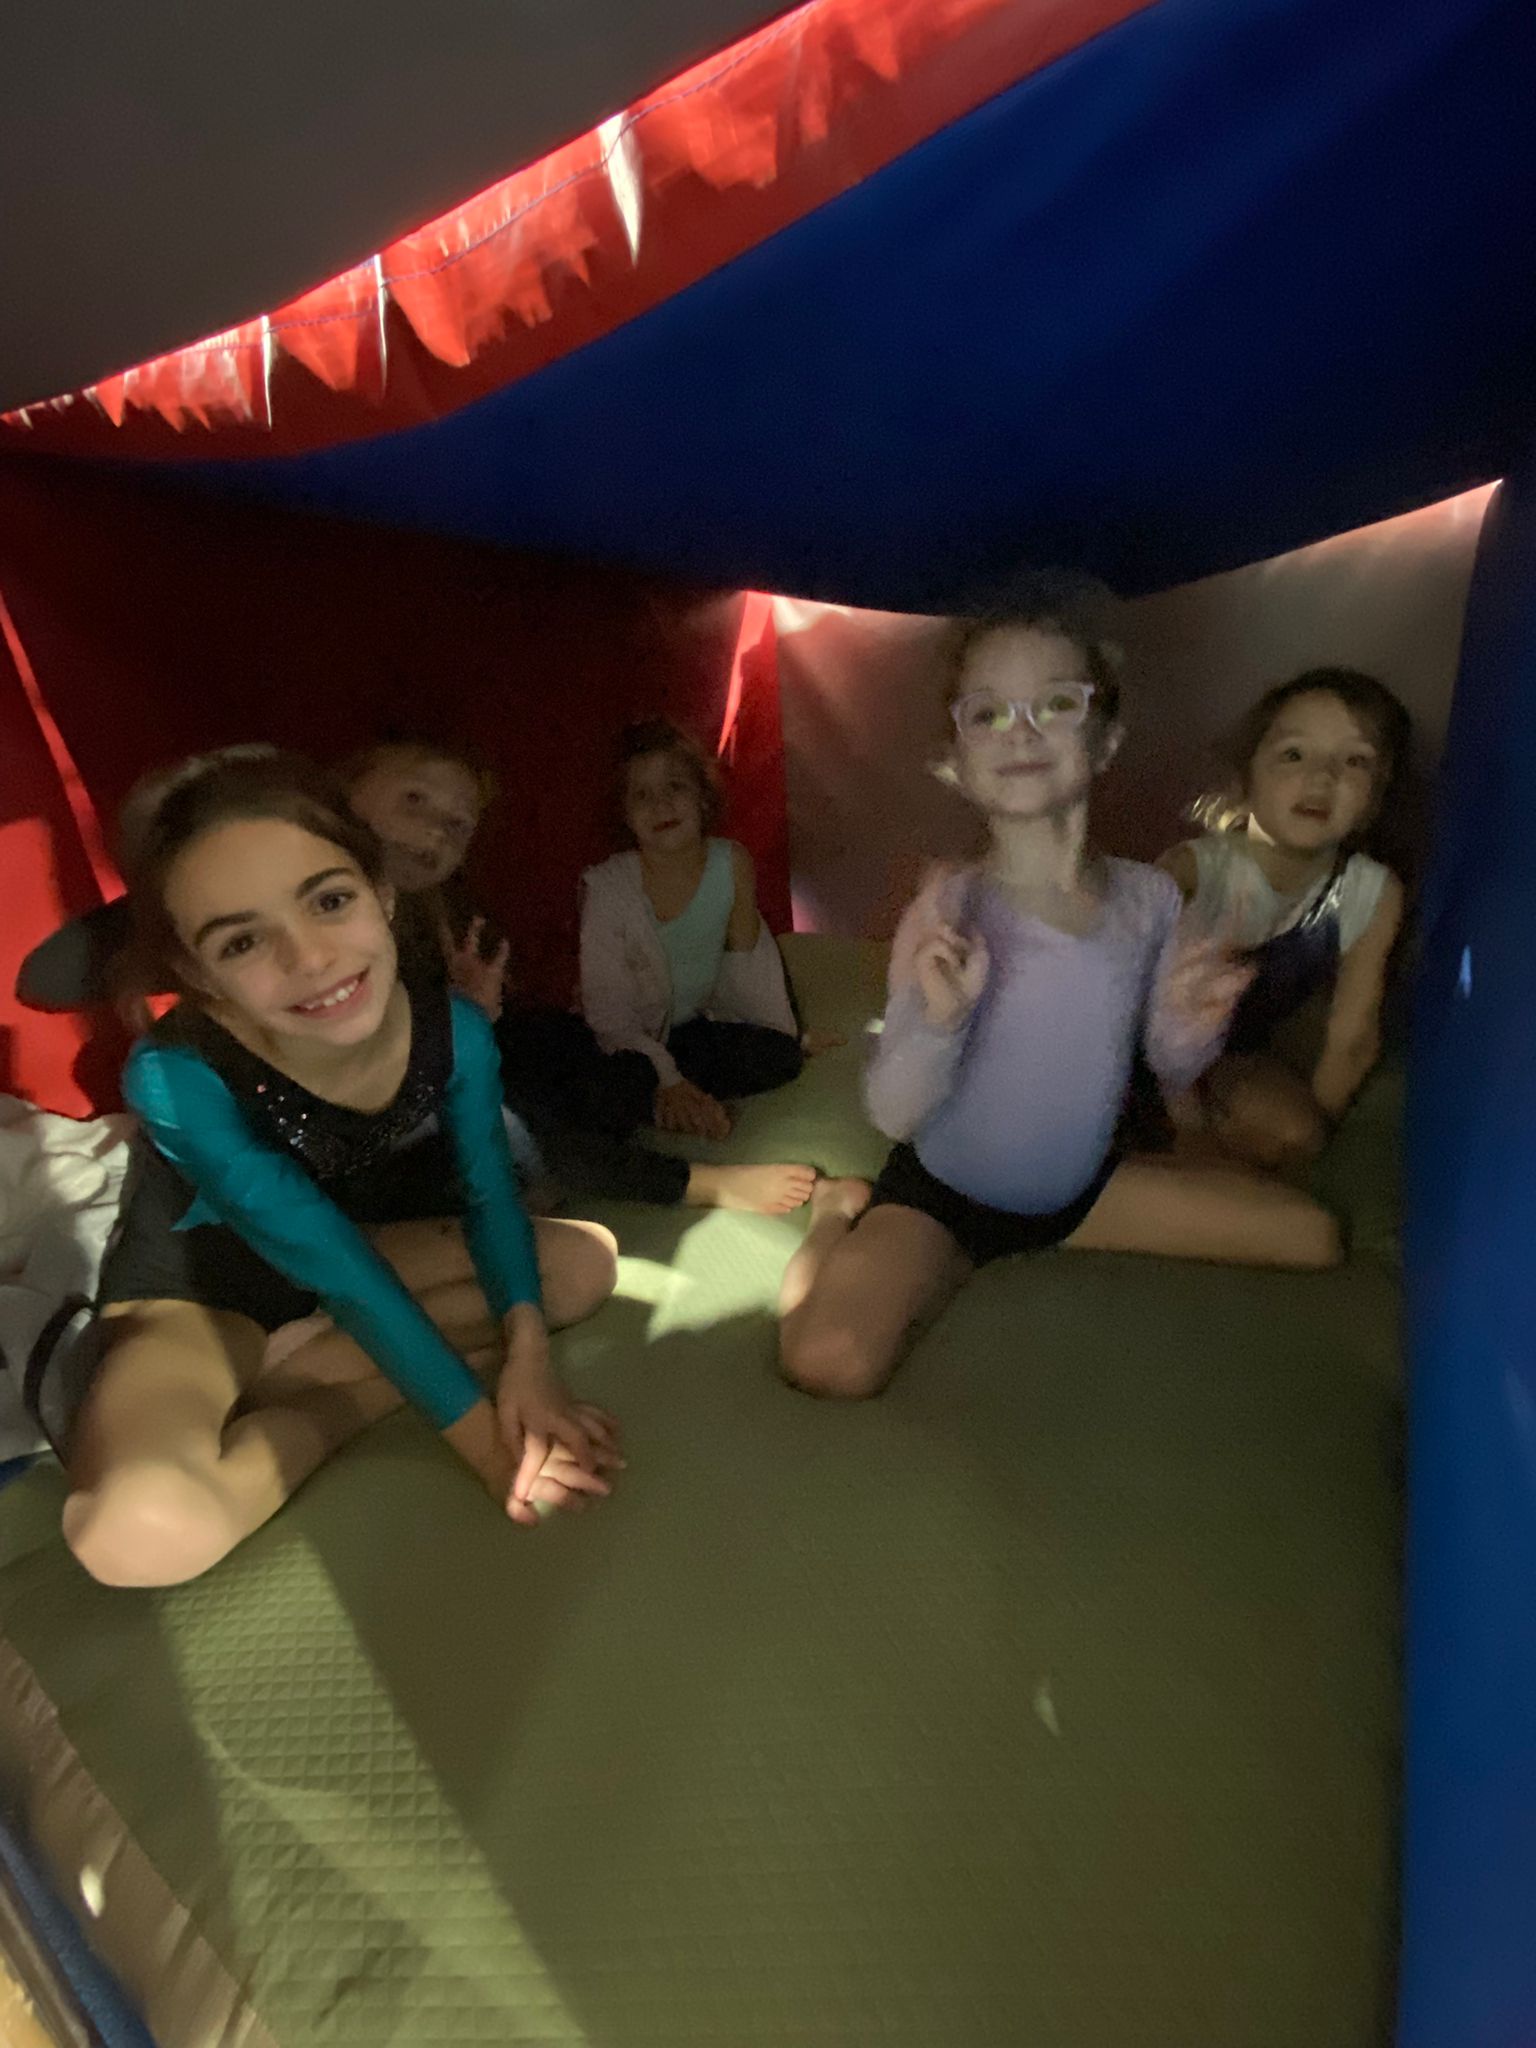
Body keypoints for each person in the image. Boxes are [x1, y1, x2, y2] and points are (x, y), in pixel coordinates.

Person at [37, 749, 623, 1589]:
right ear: (196, 971)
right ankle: (325, 1380)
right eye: (244, 940)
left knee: (582, 1264)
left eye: (329, 901)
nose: (309, 958)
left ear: (381, 894)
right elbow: (332, 1264)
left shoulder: (454, 1031)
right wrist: (492, 1449)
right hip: (206, 1292)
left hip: (356, 1255)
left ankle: (323, 1384)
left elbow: (489, 1193)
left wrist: (531, 1362)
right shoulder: (175, 1076)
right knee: (133, 1537)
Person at [778, 589, 1342, 1402]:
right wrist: (939, 1023)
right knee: (826, 1360)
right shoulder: (950, 907)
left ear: (1105, 739)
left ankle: (982, 1255)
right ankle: (838, 1214)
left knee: (1314, 1235)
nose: (1022, 732)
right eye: (988, 714)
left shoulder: (1150, 899)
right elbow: (894, 1114)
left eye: (1055, 704)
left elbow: (1165, 1060)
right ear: (955, 760)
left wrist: (1194, 1020)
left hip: (1078, 1192)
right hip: (944, 1197)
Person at [1156, 668, 1411, 1171]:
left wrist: (1316, 1130)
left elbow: (1352, 1038)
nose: (1322, 778)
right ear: (1247, 777)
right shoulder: (1190, 874)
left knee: (1292, 1132)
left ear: (1376, 795)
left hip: (1234, 1060)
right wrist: (1185, 1122)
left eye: (1355, 761)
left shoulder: (1371, 891)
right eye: (1294, 754)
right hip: (1152, 1062)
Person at [580, 720, 808, 1145]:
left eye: (675, 787)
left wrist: (786, 1033)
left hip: (692, 1033)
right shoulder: (608, 888)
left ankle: (683, 1103)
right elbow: (609, 1015)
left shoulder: (732, 864)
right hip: (635, 1044)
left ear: (702, 797)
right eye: (642, 796)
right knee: (610, 1082)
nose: (661, 805)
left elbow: (747, 971)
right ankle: (676, 1104)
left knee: (780, 1056)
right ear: (625, 815)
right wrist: (668, 1078)